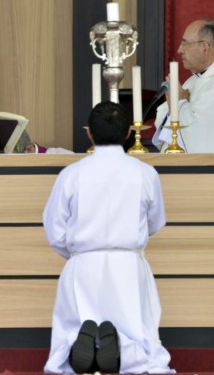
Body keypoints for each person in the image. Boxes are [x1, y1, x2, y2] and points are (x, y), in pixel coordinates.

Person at [43, 102, 174, 374]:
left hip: (83, 264)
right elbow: (156, 221)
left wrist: (78, 255)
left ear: (89, 133)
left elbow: (54, 228)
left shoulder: (71, 174)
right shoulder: (145, 173)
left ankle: (79, 350)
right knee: (137, 325)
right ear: (128, 133)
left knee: (76, 320)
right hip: (128, 264)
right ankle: (128, 356)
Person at [152, 18, 214, 153]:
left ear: (204, 46)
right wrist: (176, 104)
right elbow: (161, 117)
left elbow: (203, 132)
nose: (180, 50)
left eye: (185, 44)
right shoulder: (191, 82)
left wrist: (180, 102)